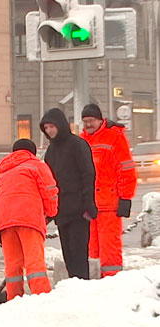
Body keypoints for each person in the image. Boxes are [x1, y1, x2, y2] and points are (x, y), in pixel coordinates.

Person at [0, 139, 58, 300]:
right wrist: (51, 212)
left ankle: (14, 297)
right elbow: (49, 190)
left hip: (5, 221)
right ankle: (41, 296)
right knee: (34, 261)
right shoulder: (36, 165)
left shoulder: (4, 170)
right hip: (28, 218)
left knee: (13, 264)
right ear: (32, 152)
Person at [80, 103, 137, 278]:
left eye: (91, 120)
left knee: (110, 246)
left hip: (110, 203)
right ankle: (97, 279)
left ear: (99, 120)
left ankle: (113, 281)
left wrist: (126, 197)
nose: (88, 124)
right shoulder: (82, 140)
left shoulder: (114, 137)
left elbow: (126, 169)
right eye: (85, 121)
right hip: (89, 204)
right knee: (92, 246)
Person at [40, 108, 97, 280]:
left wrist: (89, 205)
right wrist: (49, 211)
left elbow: (88, 175)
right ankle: (73, 286)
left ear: (60, 126)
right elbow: (49, 182)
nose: (49, 131)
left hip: (80, 210)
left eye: (52, 127)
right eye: (46, 128)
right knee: (69, 256)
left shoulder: (78, 145)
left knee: (79, 253)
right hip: (61, 211)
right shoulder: (51, 151)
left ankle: (82, 286)